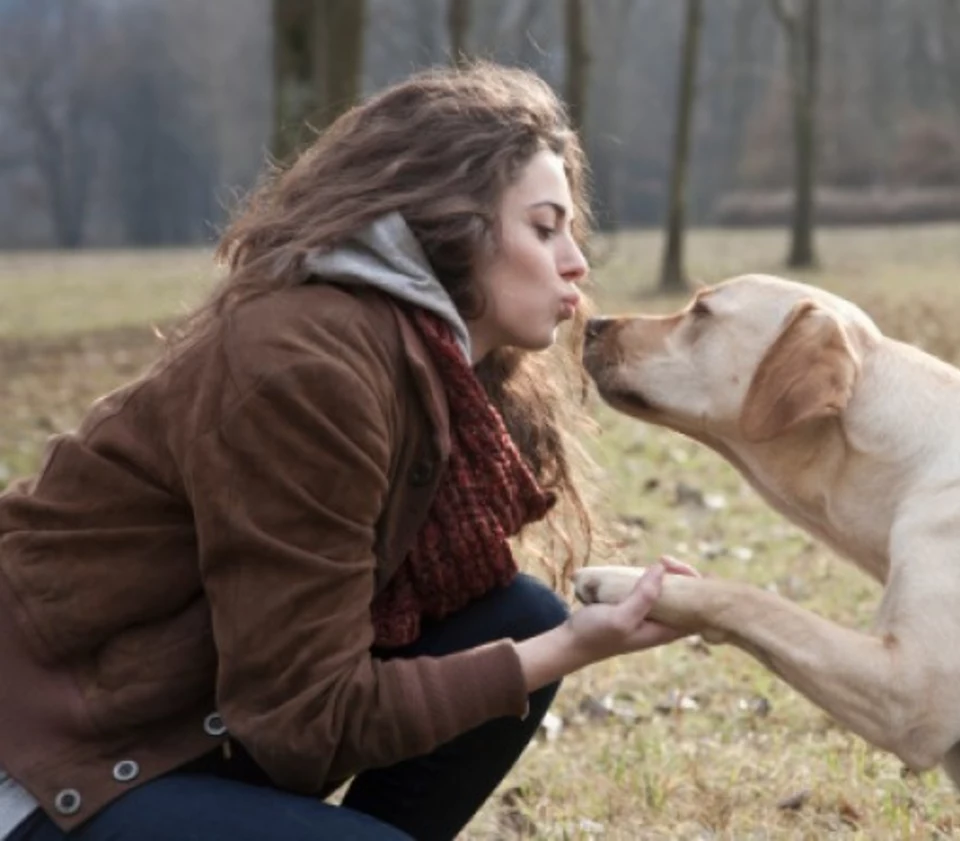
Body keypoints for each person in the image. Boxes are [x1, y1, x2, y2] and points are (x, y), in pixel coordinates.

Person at [0, 62, 695, 841]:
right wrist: (567, 648)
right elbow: (305, 717)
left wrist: (551, 640)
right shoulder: (307, 370)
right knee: (534, 638)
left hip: (179, 729)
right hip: (44, 761)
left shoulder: (429, 368)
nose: (575, 262)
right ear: (453, 226)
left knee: (518, 614)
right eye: (543, 227)